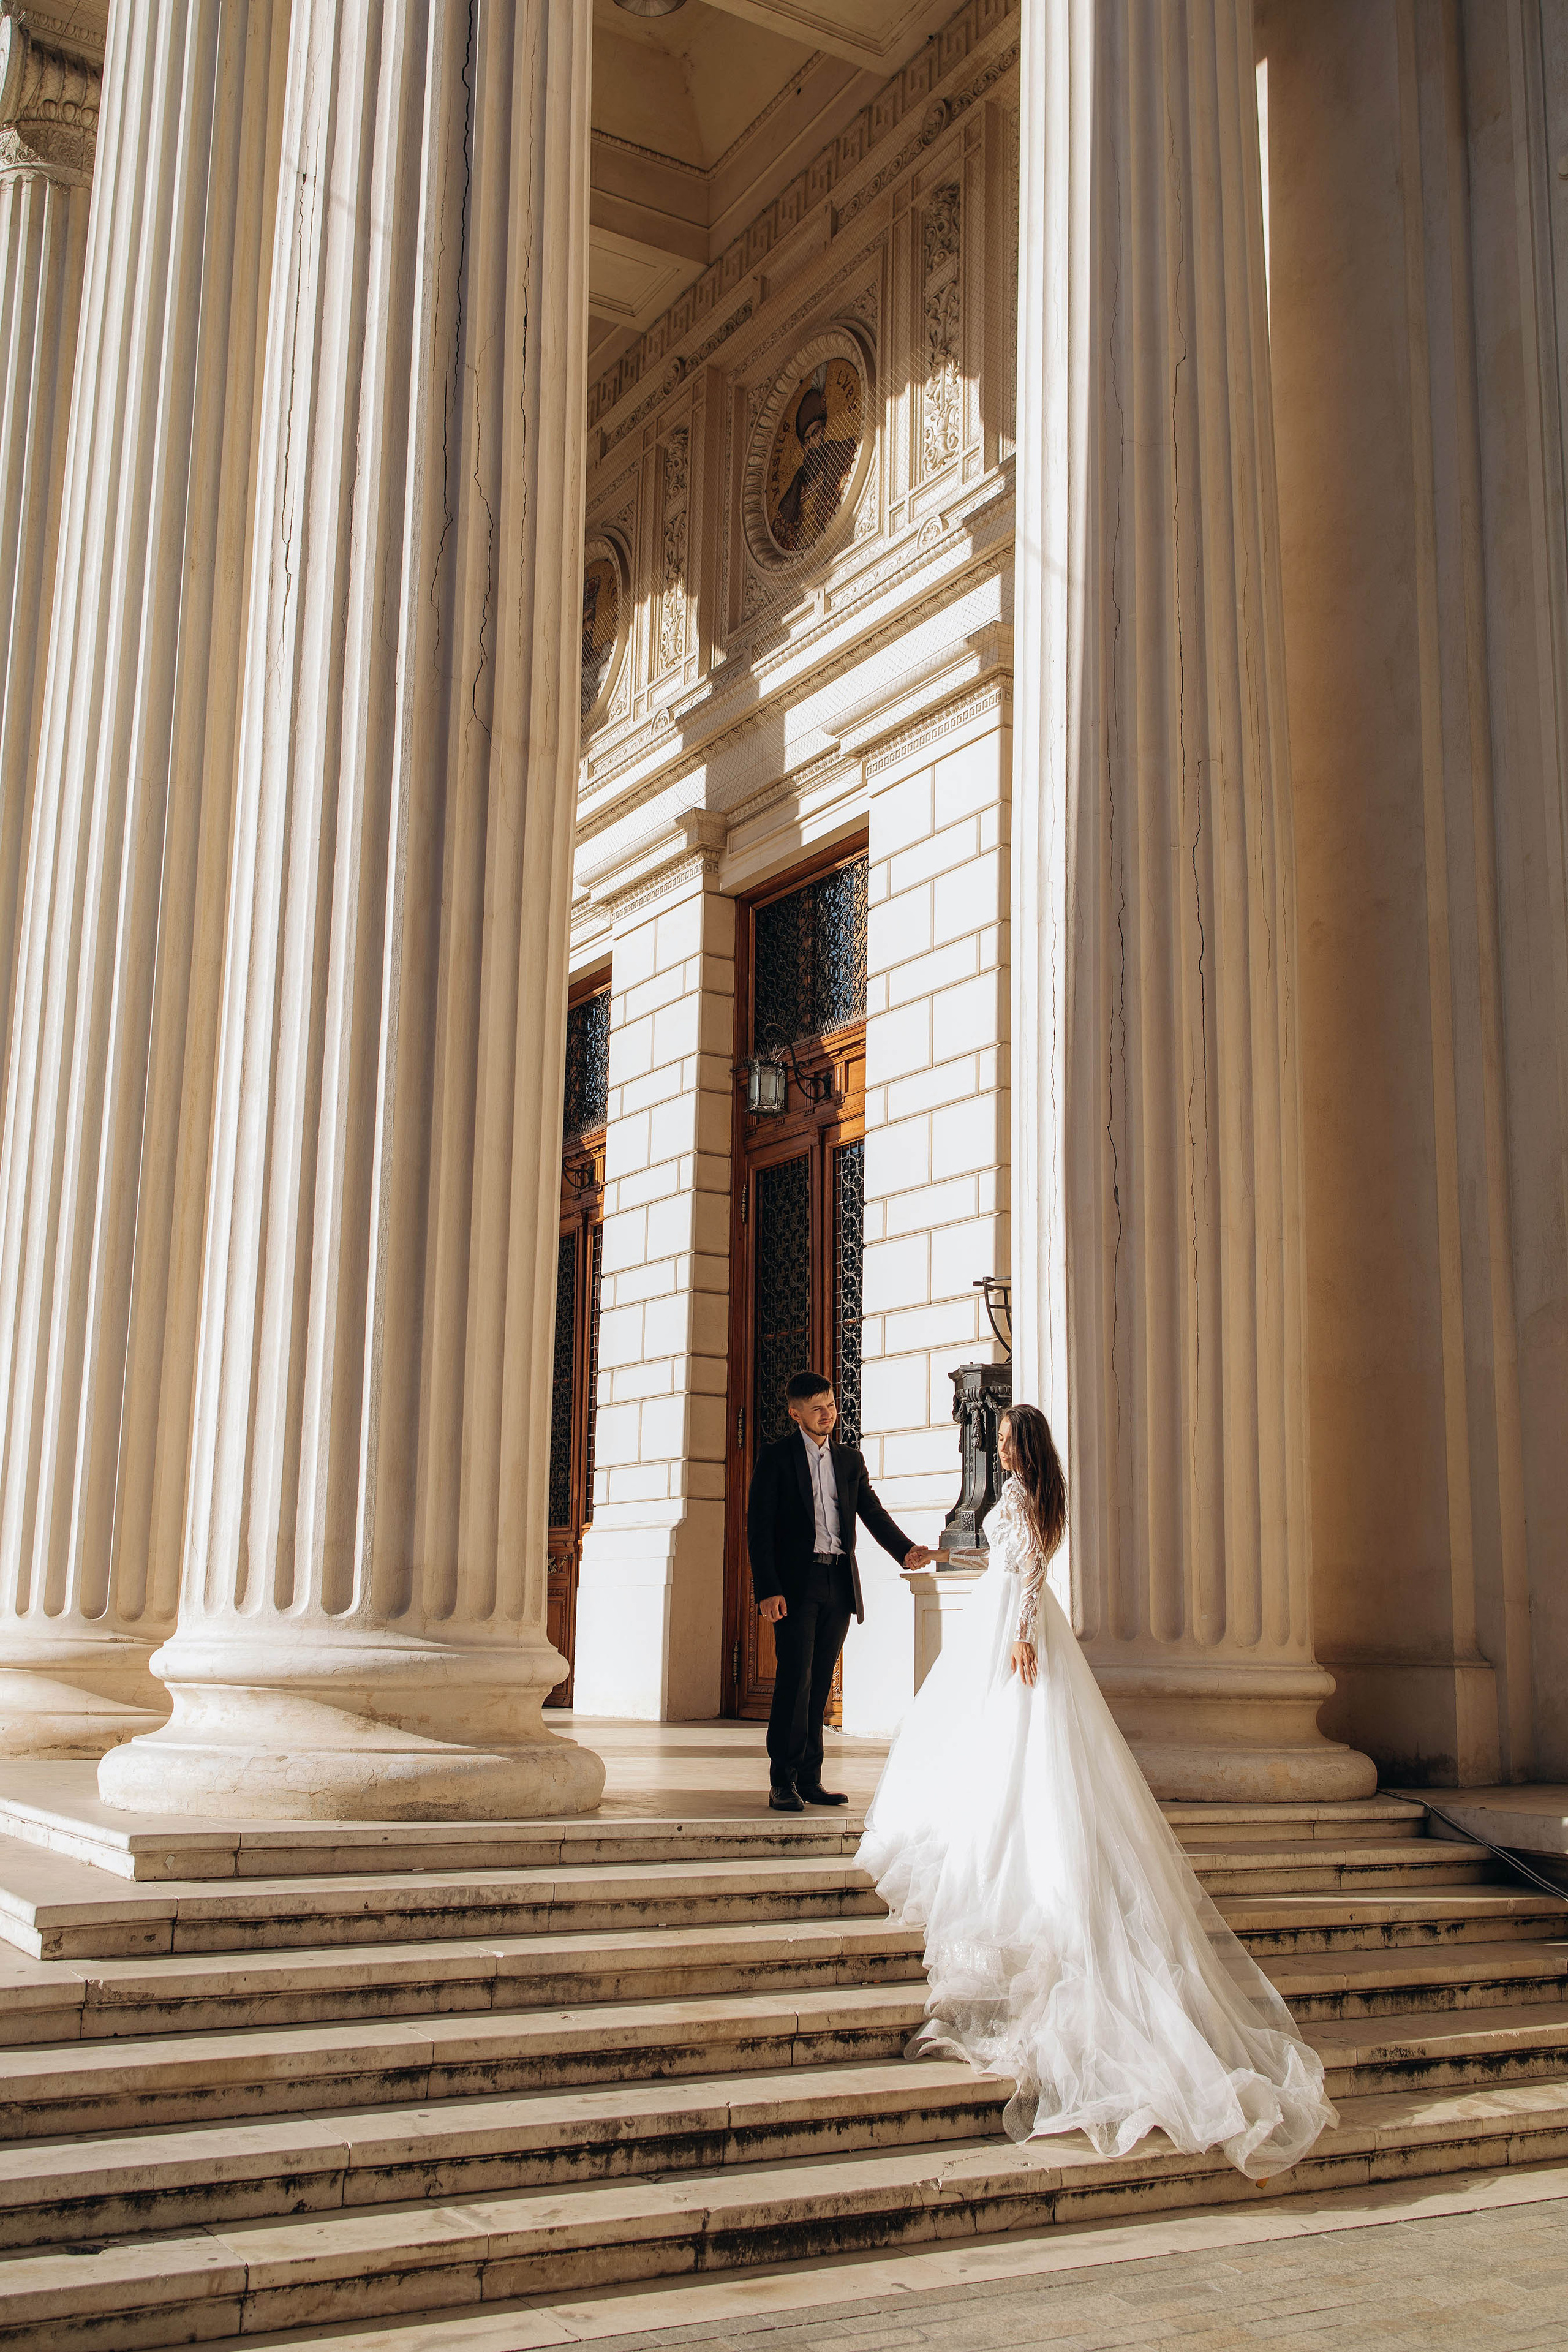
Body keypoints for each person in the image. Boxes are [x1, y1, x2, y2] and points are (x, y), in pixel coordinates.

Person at [858, 1402, 1336, 2182]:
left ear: (1028, 1448)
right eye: (1001, 1444)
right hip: (1018, 1621)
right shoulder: (1035, 1496)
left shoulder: (1017, 1500)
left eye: (1011, 1444)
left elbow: (1030, 1569)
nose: (1003, 1453)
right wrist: (979, 1586)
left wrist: (1015, 1631)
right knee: (1009, 1749)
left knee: (1013, 1752)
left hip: (1016, 1630)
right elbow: (1026, 1566)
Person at [747, 1371, 929, 1812]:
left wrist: (905, 1552)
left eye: (830, 1404)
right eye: (816, 1408)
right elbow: (759, 1527)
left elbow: (872, 1511)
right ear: (796, 1414)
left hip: (838, 1582)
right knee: (795, 1679)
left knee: (821, 1683)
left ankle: (810, 1779)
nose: (827, 1413)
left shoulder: (850, 1460)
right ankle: (781, 1781)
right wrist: (768, 1589)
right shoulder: (775, 1458)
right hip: (795, 1585)